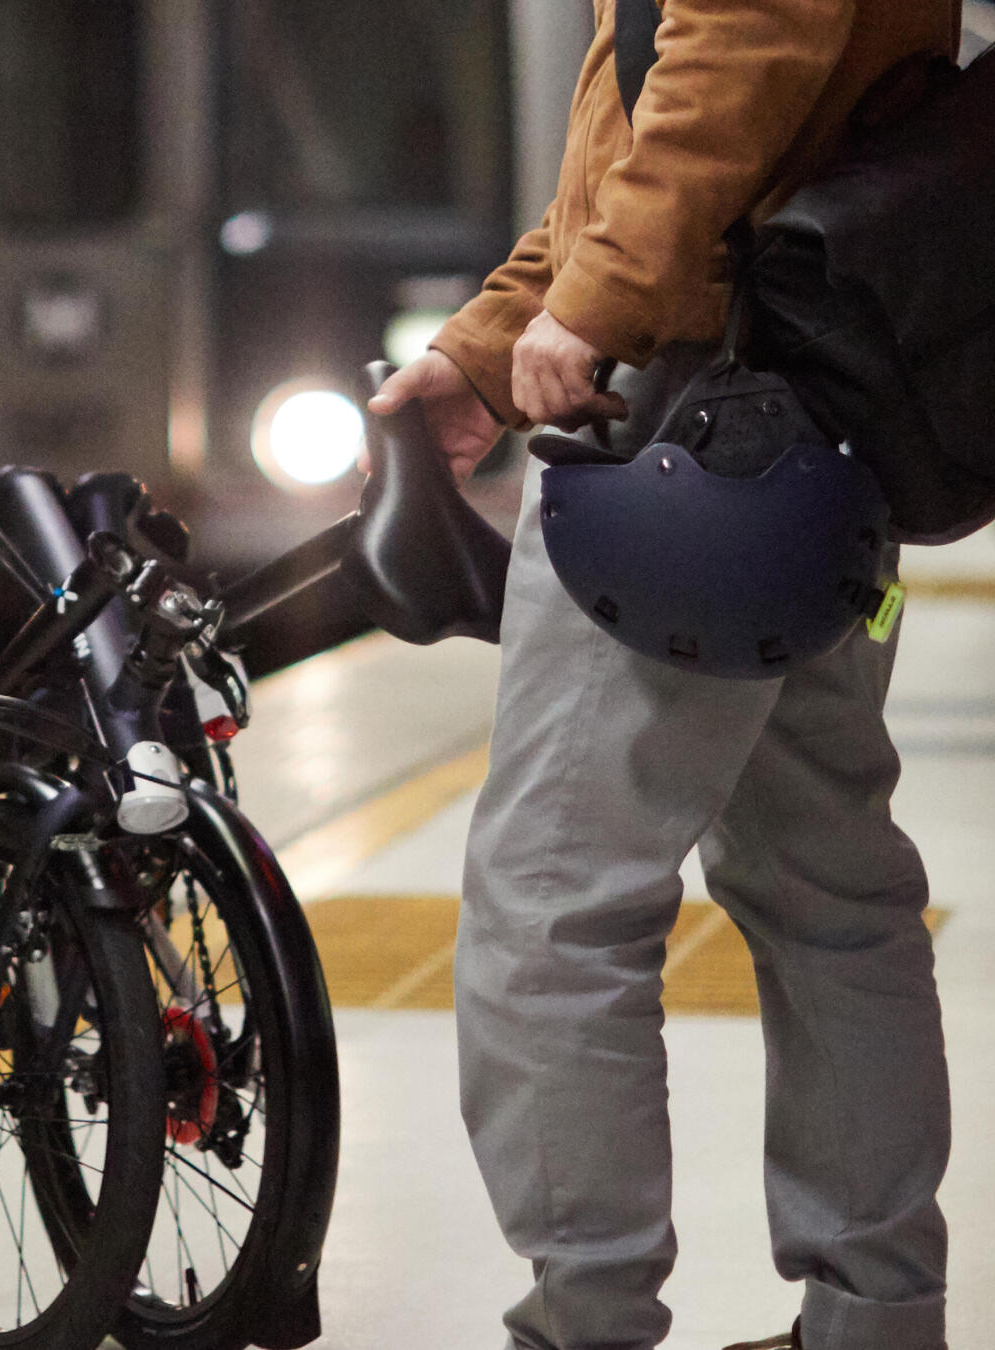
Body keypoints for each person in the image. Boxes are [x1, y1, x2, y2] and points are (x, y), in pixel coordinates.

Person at [369, 2, 964, 1348]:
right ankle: (877, 1315)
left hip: (680, 431)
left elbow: (726, 68)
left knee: (553, 903)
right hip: (816, 407)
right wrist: (489, 347)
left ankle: (586, 1319)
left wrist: (592, 310)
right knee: (831, 888)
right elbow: (639, 134)